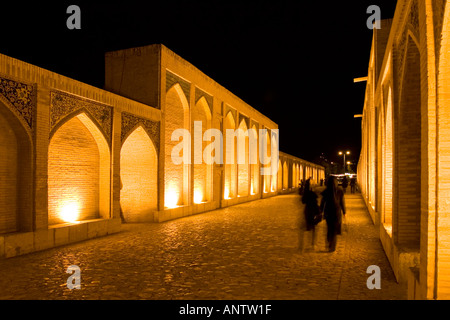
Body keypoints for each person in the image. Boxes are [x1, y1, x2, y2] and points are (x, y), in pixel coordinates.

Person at [320, 176, 346, 252]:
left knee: (329, 228)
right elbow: (342, 202)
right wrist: (344, 211)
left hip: (328, 212)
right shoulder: (339, 191)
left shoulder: (326, 191)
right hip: (336, 212)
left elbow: (323, 202)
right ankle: (332, 246)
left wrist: (320, 211)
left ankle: (329, 242)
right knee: (334, 229)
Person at [299, 179, 320, 252]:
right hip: (313, 210)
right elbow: (316, 202)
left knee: (306, 227)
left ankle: (303, 245)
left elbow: (303, 201)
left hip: (307, 210)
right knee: (313, 228)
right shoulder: (313, 193)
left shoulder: (306, 193)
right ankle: (313, 244)